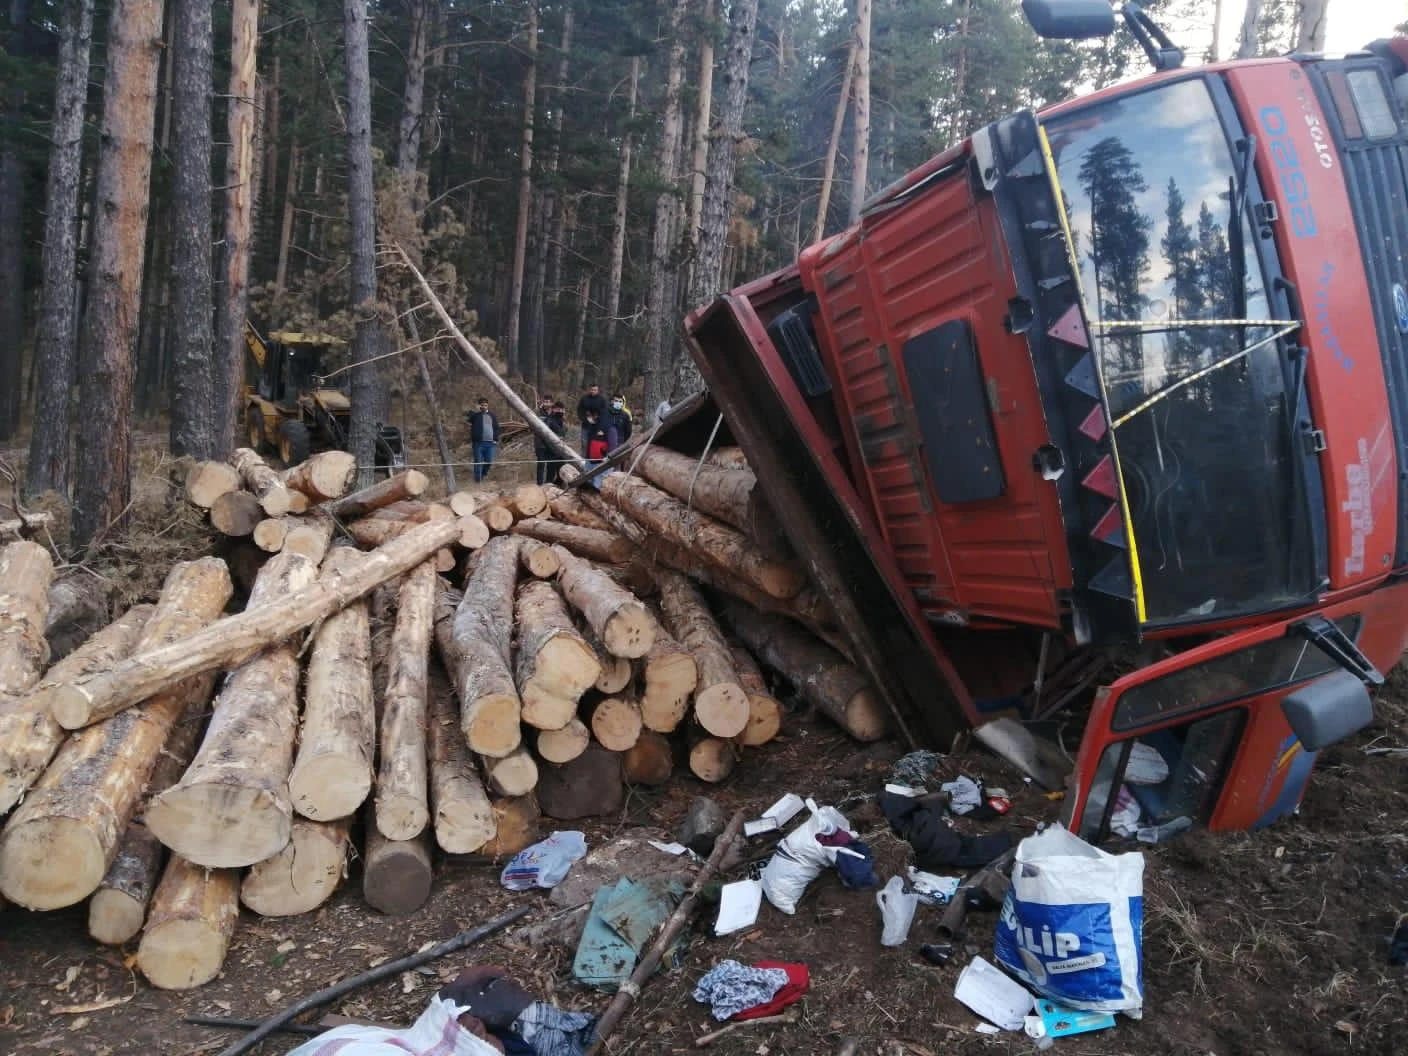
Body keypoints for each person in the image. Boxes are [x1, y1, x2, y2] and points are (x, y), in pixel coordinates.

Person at [534, 395, 566, 486]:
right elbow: (533, 426)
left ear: (552, 403)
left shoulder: (555, 413)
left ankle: (550, 483)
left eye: (549, 402)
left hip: (553, 445)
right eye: (545, 402)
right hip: (540, 442)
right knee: (541, 463)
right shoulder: (538, 412)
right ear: (543, 402)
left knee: (552, 464)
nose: (547, 404)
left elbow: (562, 428)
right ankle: (539, 485)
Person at [467, 396, 500, 483]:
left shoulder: (492, 416)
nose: (484, 407)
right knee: (478, 462)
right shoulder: (475, 416)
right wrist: (476, 409)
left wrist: (495, 439)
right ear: (479, 406)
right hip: (478, 443)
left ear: (488, 405)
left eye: (485, 405)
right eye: (482, 405)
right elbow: (469, 419)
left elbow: (496, 428)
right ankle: (478, 482)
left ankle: (483, 475)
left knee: (489, 461)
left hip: (490, 443)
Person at [576, 382, 607, 451]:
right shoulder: (584, 399)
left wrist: (599, 421)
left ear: (598, 390)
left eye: (595, 390)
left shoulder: (602, 400)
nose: (593, 391)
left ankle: (593, 460)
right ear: (589, 390)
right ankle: (583, 460)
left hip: (597, 426)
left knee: (594, 444)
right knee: (584, 443)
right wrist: (584, 419)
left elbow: (604, 413)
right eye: (592, 390)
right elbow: (580, 410)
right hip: (586, 425)